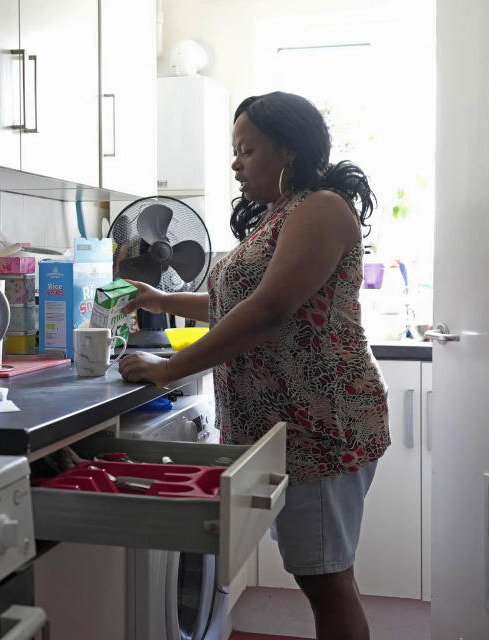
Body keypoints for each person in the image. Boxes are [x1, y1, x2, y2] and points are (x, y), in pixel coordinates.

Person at [118, 91, 390, 640]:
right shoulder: (278, 216)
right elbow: (239, 300)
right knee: (330, 575)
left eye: (247, 149)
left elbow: (269, 311)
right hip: (289, 428)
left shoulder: (321, 208)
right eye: (234, 150)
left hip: (319, 426)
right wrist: (161, 300)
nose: (235, 162)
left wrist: (168, 369)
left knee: (326, 582)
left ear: (287, 149)